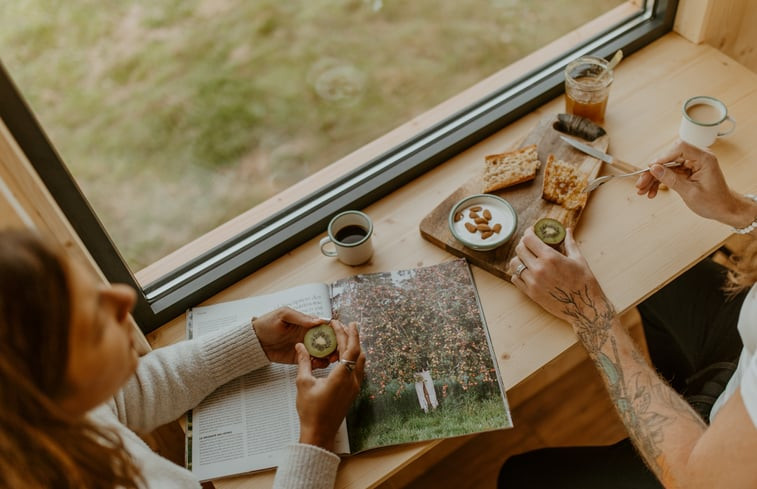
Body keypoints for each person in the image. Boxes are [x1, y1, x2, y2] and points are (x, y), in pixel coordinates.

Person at [0, 229, 366, 489]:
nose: (124, 297)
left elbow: (129, 393)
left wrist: (253, 343)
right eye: (93, 321)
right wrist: (316, 438)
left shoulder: (34, 414)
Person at [500, 140, 757, 488]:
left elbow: (696, 481)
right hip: (743, 359)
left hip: (703, 471)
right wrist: (740, 211)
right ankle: (676, 398)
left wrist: (590, 315)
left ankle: (676, 415)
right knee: (652, 274)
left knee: (521, 477)